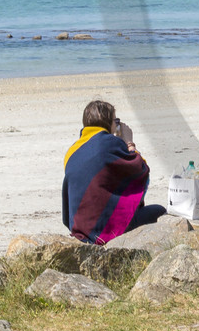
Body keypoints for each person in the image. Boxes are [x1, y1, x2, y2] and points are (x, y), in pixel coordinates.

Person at [62, 99, 165, 244]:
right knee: (159, 211)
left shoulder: (73, 150)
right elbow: (141, 170)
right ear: (108, 122)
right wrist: (128, 142)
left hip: (79, 228)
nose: (117, 125)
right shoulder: (110, 143)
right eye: (115, 121)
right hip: (102, 230)